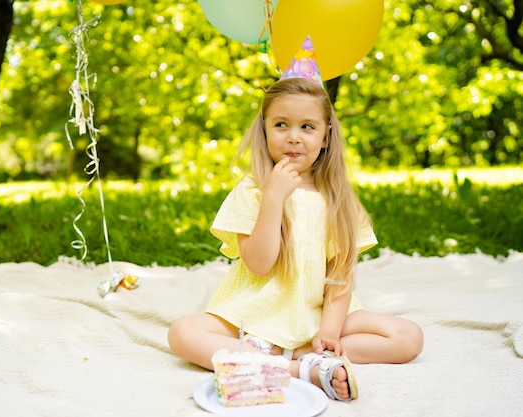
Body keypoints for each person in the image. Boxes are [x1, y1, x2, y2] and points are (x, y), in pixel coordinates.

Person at [168, 35, 423, 401]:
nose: (294, 137)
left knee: (408, 337)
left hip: (318, 314)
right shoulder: (253, 190)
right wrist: (273, 198)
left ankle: (304, 355)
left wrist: (331, 331)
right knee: (183, 333)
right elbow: (257, 264)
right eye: (281, 125)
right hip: (255, 315)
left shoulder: (337, 200)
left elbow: (340, 275)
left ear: (325, 136)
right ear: (265, 129)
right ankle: (300, 369)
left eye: (307, 127)